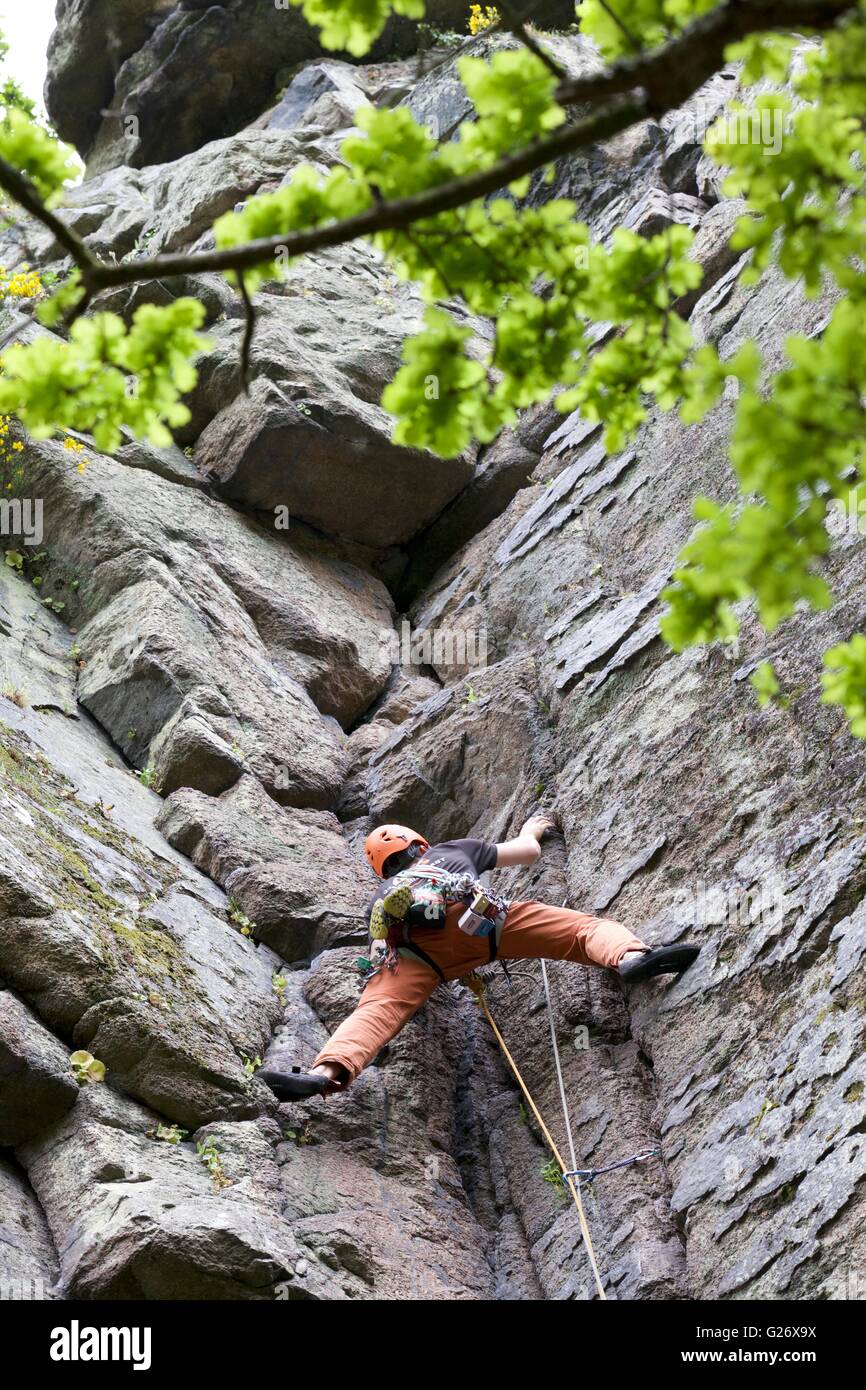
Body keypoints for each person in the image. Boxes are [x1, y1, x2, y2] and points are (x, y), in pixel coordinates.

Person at [260, 817, 699, 1101]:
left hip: (416, 950)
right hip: (481, 920)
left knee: (377, 1010)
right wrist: (533, 829)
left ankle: (324, 1072)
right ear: (418, 844)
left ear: (384, 871)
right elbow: (527, 853)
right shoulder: (454, 850)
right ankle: (628, 958)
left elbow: (381, 943)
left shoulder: (382, 897)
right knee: (580, 930)